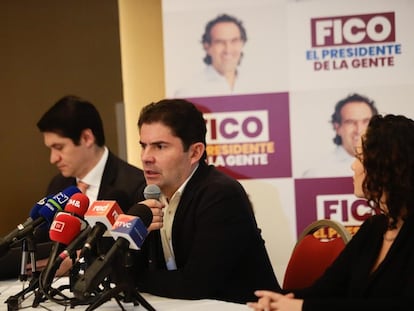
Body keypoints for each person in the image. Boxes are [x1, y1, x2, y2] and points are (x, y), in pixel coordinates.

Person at [248, 114, 414, 311]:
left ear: (389, 166)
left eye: (360, 157)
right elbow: (324, 291)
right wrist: (277, 300)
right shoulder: (374, 228)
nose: (353, 166)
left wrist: (301, 307)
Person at [134, 98, 280, 304]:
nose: (146, 157)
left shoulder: (220, 195)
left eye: (160, 146)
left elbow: (195, 284)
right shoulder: (148, 194)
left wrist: (133, 279)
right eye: (143, 146)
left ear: (195, 152)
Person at [0, 95, 147, 279]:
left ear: (87, 138)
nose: (53, 158)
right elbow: (42, 241)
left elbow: (135, 258)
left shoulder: (133, 185)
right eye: (50, 149)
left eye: (59, 147)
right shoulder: (59, 185)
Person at [303, 93, 378, 178]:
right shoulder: (317, 173)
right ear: (337, 127)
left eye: (366, 121)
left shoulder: (390, 167)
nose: (359, 130)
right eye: (350, 122)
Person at [174, 13, 250, 97]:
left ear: (242, 43)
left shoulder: (255, 83)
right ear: (207, 47)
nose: (228, 49)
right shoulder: (187, 92)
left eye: (234, 41)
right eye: (220, 42)